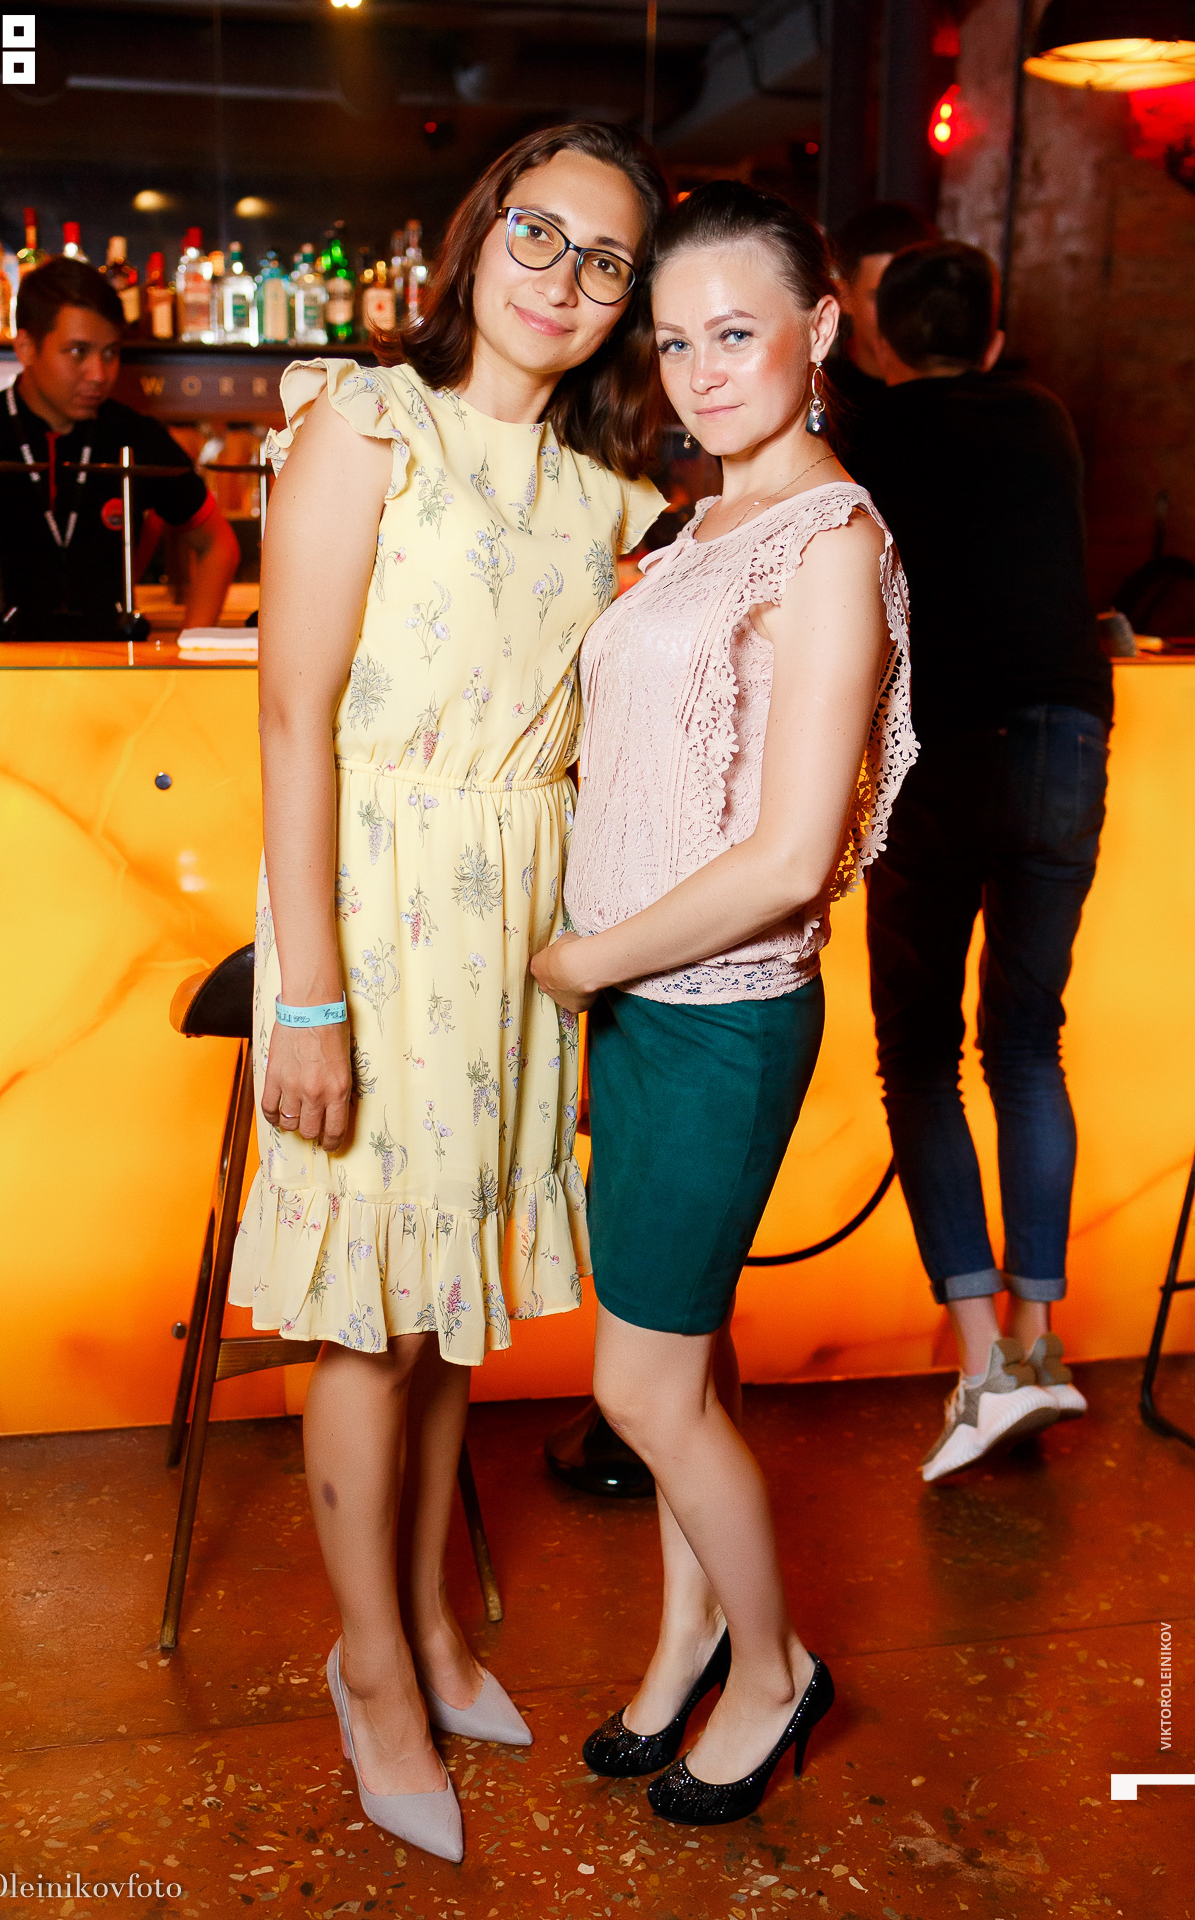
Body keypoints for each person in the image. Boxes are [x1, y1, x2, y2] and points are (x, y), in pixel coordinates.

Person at [230, 124, 667, 1861]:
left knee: (444, 1305)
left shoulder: (606, 489)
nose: (564, 279)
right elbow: (291, 718)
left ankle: (424, 1625)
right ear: (482, 235)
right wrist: (308, 994)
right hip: (373, 908)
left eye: (607, 261)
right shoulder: (366, 421)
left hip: (511, 935)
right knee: (364, 1311)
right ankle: (369, 1671)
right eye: (540, 235)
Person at [533, 182, 915, 1825]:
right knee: (685, 1363)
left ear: (819, 331)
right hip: (646, 1004)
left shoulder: (832, 543)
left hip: (715, 1014)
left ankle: (773, 1669)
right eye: (675, 341)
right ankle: (689, 1633)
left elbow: (785, 857)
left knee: (637, 1390)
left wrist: (580, 963)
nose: (699, 371)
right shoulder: (695, 526)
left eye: (735, 333)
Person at [852, 241, 1113, 1483]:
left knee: (918, 1055)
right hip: (1064, 736)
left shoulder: (866, 432)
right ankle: (1040, 1343)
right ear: (995, 340)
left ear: (874, 338)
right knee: (1025, 1044)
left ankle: (980, 1374)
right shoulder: (1044, 418)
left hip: (937, 748)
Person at [0, 256, 238, 642]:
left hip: (115, 664)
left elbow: (218, 544)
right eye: (78, 352)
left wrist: (192, 648)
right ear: (26, 347)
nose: (99, 374)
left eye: (110, 353)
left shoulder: (136, 434)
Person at [826, 201, 937, 462]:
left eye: (912, 296)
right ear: (845, 297)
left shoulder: (945, 400)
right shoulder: (822, 396)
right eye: (880, 297)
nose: (898, 312)